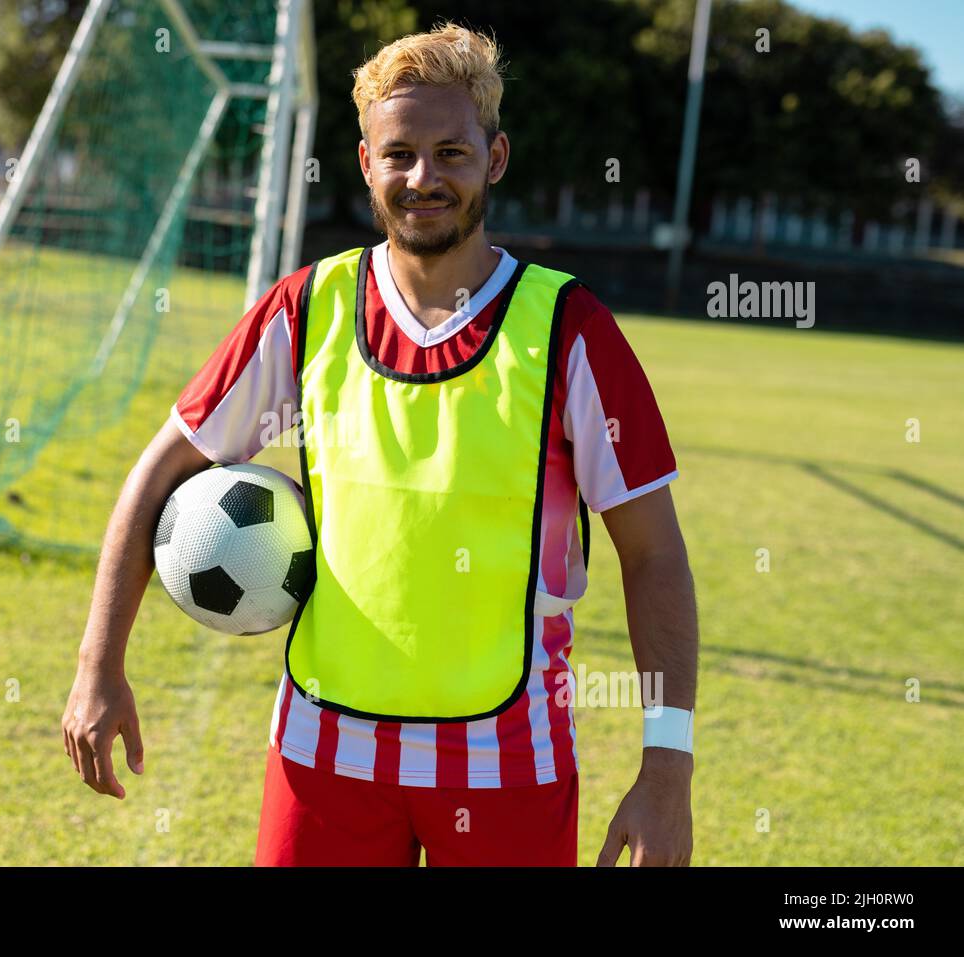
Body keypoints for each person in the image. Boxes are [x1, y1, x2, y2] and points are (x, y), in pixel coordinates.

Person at [63, 20, 698, 867]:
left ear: (496, 158)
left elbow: (653, 554)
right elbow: (160, 474)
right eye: (398, 153)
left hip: (506, 759)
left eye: (451, 152)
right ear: (366, 164)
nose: (423, 177)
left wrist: (667, 769)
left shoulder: (571, 328)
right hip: (323, 753)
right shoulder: (307, 307)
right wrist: (99, 664)